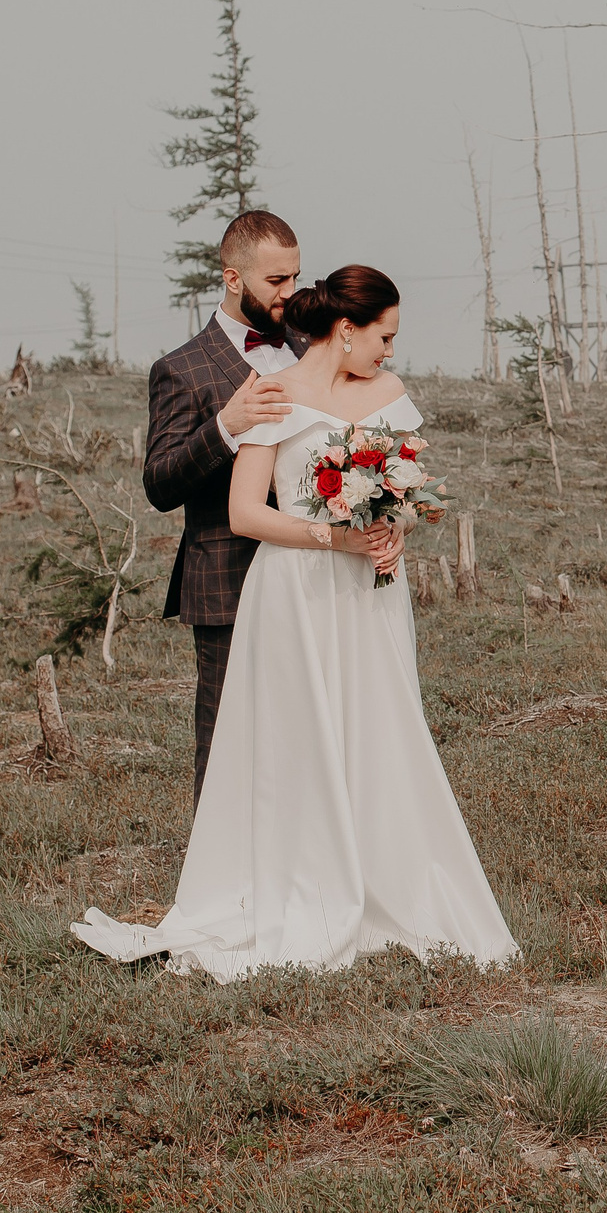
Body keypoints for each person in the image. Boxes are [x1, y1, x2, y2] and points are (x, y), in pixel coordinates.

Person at [75, 265, 517, 980]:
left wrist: (395, 526)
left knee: (379, 726)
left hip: (372, 592)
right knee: (299, 738)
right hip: (295, 590)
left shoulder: (388, 394)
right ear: (347, 330)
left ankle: (389, 880)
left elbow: (404, 491)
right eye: (385, 336)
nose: (391, 351)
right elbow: (247, 511)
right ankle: (303, 881)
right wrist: (332, 538)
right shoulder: (275, 395)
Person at [144, 210, 317, 801]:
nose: (289, 294)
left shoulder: (310, 350)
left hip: (312, 575)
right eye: (276, 282)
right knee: (226, 744)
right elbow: (160, 485)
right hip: (226, 580)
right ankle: (220, 886)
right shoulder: (180, 369)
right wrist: (224, 426)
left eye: (295, 277)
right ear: (233, 278)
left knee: (309, 732)